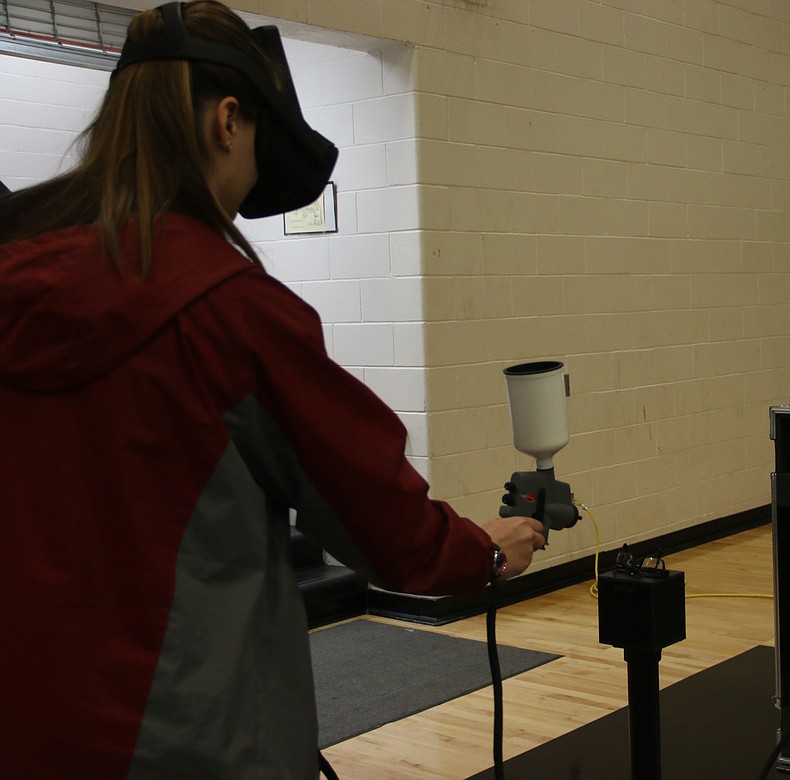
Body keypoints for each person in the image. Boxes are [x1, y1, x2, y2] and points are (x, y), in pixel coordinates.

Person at [0, 3, 545, 778]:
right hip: (189, 744)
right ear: (228, 121)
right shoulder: (230, 312)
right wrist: (481, 550)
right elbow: (383, 523)